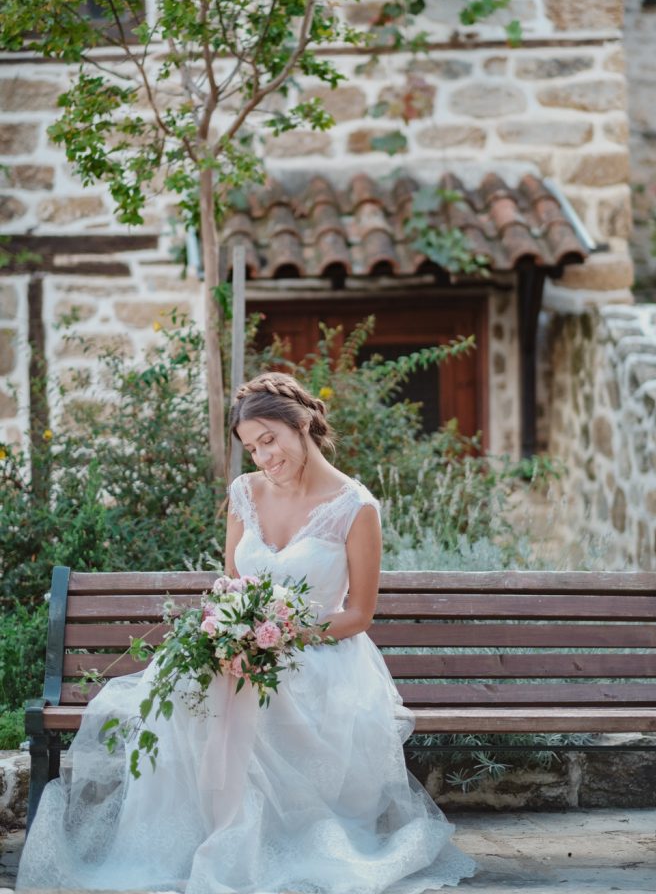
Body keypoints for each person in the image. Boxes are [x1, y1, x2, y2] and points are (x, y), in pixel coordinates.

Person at [16, 372, 476, 893]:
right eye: (252, 447)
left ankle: (260, 839)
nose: (263, 457)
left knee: (259, 696)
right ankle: (210, 833)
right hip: (242, 644)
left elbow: (359, 614)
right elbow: (233, 583)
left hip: (319, 657)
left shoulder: (356, 507)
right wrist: (233, 628)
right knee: (191, 688)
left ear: (302, 425)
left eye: (269, 440)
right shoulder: (245, 493)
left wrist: (283, 632)